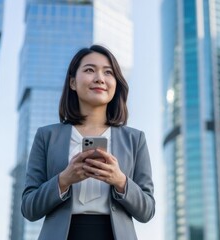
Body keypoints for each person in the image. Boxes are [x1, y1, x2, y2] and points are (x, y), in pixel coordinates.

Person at [21, 45, 155, 240]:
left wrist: (120, 181)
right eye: (89, 70)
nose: (100, 78)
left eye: (108, 72)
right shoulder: (46, 136)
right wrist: (64, 179)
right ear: (73, 82)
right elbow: (29, 208)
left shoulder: (135, 139)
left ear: (115, 83)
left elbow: (147, 210)